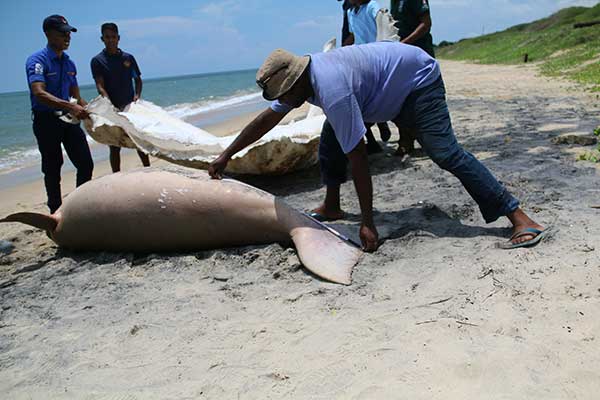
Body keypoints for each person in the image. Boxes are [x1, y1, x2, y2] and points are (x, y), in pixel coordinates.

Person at [208, 42, 548, 252]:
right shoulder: (305, 79)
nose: (282, 101)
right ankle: (332, 206)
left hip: (417, 82)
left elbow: (358, 158)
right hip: (380, 92)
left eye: (282, 94)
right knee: (329, 144)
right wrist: (226, 155)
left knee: (446, 154)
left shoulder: (333, 90)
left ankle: (520, 218)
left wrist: (368, 222)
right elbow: (266, 119)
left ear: (295, 83)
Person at [26, 15, 93, 214]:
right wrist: (71, 107)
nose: (67, 37)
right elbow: (39, 93)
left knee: (85, 163)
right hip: (46, 121)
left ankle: (79, 207)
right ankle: (55, 211)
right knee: (53, 168)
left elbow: (76, 96)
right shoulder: (37, 60)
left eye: (69, 33)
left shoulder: (69, 63)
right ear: (48, 34)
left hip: (69, 120)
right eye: (62, 33)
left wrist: (91, 110)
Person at [91, 22, 149, 173]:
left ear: (119, 38)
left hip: (130, 106)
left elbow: (137, 79)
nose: (111, 40)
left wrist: (137, 96)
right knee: (115, 145)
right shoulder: (98, 61)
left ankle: (148, 169)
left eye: (113, 37)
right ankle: (116, 175)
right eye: (107, 37)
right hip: (111, 107)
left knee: (139, 141)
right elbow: (100, 85)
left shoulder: (128, 58)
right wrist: (108, 104)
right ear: (102, 39)